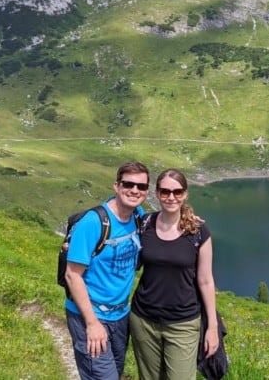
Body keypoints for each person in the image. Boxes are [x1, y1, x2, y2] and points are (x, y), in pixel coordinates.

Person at [130, 168, 220, 380]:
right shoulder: (144, 224)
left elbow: (206, 281)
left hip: (183, 323)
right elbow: (120, 209)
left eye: (177, 192)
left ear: (185, 194)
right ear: (157, 193)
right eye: (165, 192)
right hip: (143, 319)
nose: (171, 197)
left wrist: (212, 327)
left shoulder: (198, 231)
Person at [64, 160, 150, 380]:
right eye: (128, 184)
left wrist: (186, 220)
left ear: (147, 191)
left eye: (141, 186)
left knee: (115, 372)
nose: (134, 190)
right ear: (116, 186)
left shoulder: (137, 216)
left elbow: (162, 221)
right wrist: (92, 324)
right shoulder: (93, 222)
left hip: (121, 315)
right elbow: (72, 275)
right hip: (90, 315)